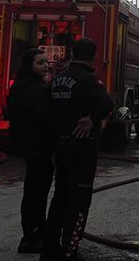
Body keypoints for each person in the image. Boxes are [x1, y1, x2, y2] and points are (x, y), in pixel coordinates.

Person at [41, 38, 114, 261]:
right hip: (82, 147)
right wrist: (92, 120)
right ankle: (70, 250)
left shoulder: (57, 80)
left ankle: (49, 250)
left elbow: (48, 111)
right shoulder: (89, 80)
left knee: (60, 198)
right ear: (92, 56)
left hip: (60, 145)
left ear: (72, 53)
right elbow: (107, 105)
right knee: (80, 201)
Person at [8, 48, 53, 254]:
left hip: (30, 146)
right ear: (30, 66)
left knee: (35, 189)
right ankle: (32, 236)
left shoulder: (23, 85)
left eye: (46, 62)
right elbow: (43, 117)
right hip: (38, 147)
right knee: (36, 191)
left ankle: (35, 232)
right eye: (40, 62)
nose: (45, 65)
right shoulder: (34, 89)